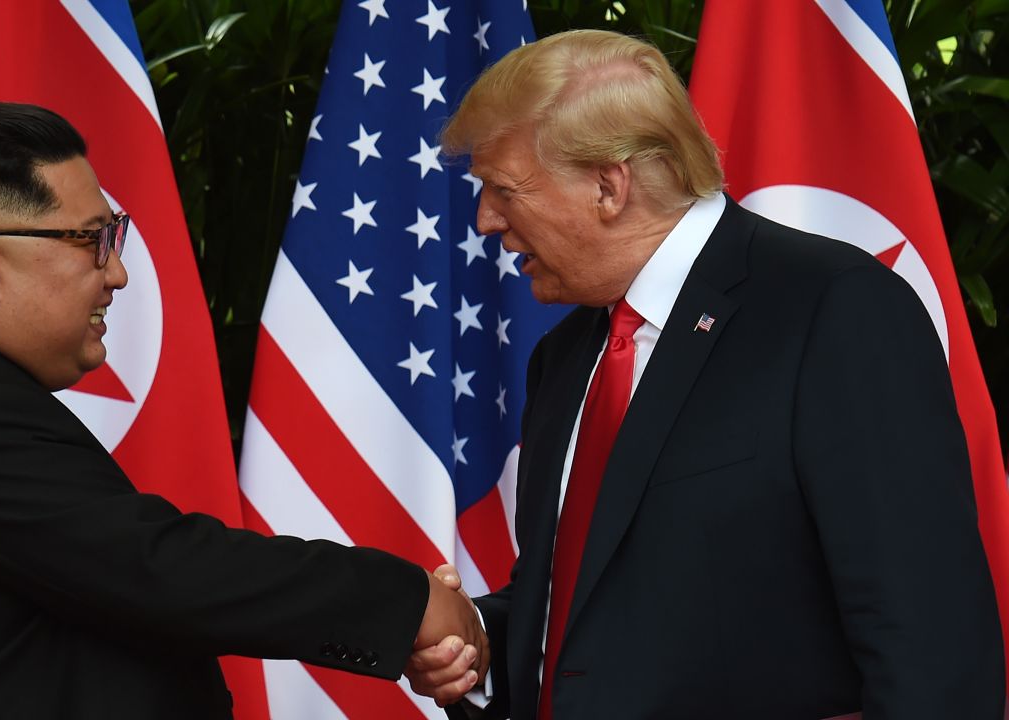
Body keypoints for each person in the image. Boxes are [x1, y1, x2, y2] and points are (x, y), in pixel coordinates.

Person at [403, 29, 1004, 719]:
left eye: (503, 189)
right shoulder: (565, 355)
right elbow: (594, 609)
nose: (484, 219)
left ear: (608, 184)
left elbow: (931, 648)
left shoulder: (833, 310)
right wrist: (475, 641)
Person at [0, 102, 483, 719]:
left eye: (116, 238)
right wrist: (409, 602)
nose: (117, 274)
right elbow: (162, 568)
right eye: (92, 242)